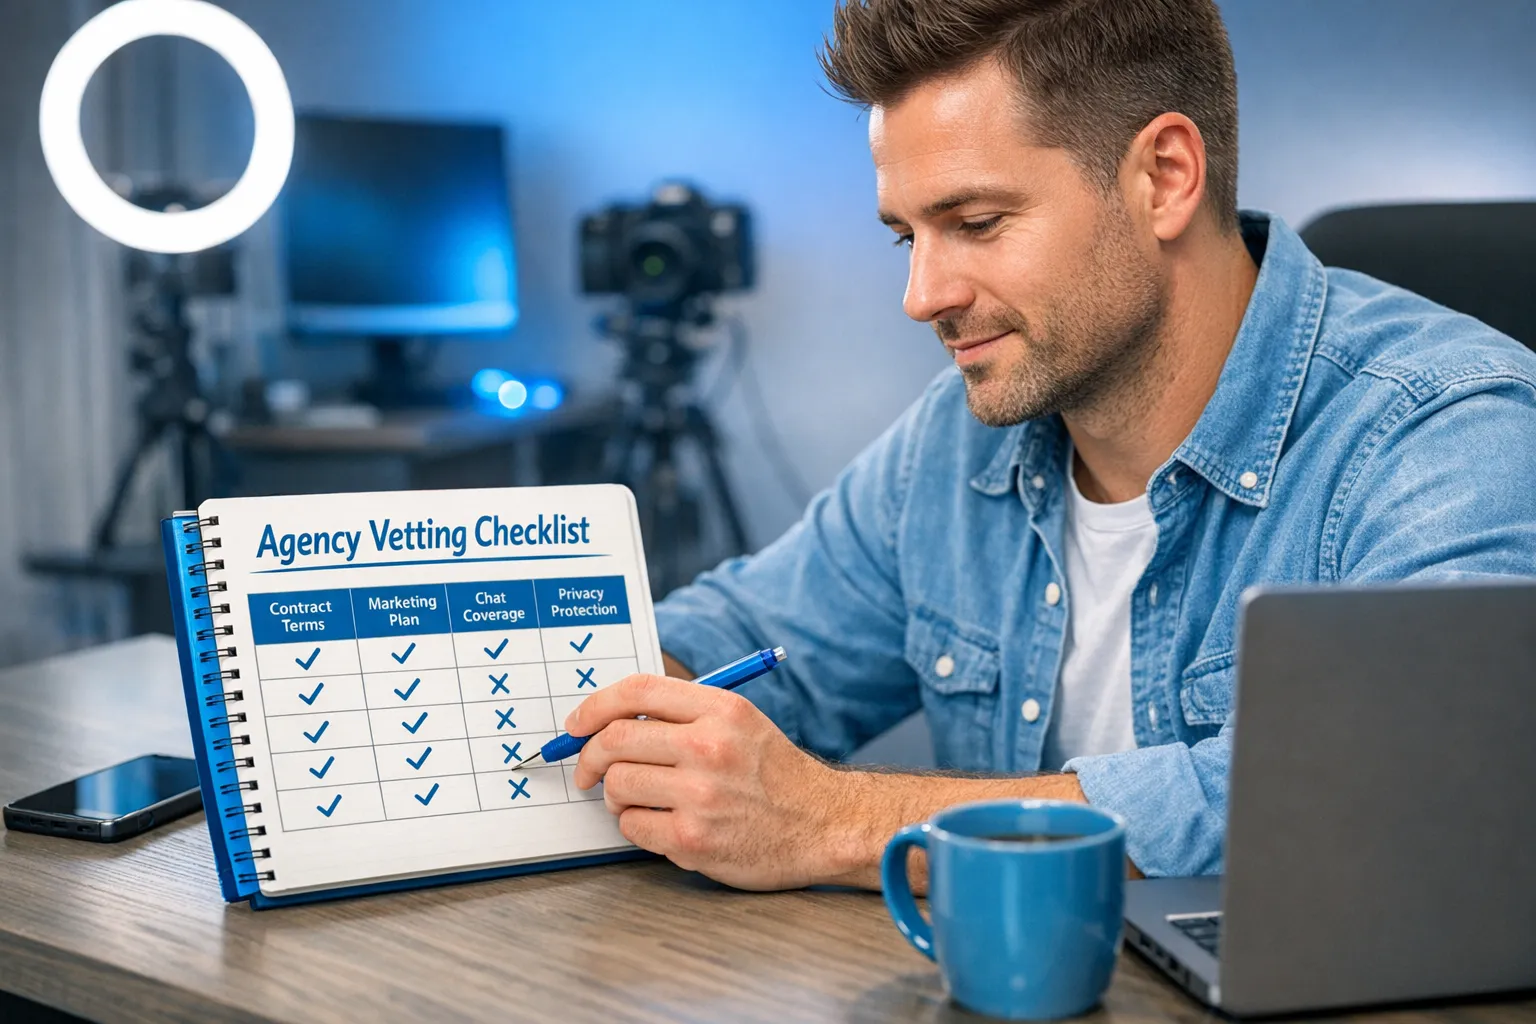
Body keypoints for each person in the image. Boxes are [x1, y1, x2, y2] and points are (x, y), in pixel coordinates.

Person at [565, 0, 1536, 890]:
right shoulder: (952, 449)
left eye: (977, 222)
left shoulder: (1448, 433)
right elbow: (738, 642)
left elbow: (1390, 800)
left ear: (1164, 177)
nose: (922, 297)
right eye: (908, 237)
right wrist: (640, 703)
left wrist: (834, 820)